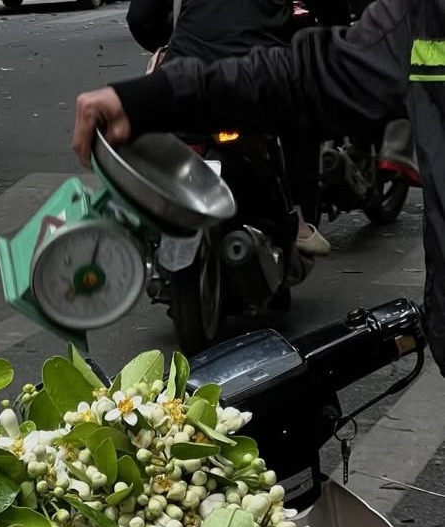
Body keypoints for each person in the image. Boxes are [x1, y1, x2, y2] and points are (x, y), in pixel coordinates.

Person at [69, 0, 445, 376]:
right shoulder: (421, 17)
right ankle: (299, 220)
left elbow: (143, 19)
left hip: (188, 60)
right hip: (229, 70)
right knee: (298, 136)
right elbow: (310, 77)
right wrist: (146, 101)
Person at [125, 0, 332, 256]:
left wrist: (184, 36)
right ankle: (300, 217)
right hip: (253, 75)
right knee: (302, 108)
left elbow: (141, 17)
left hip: (183, 73)